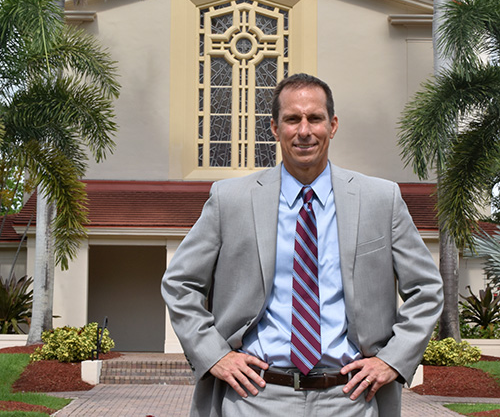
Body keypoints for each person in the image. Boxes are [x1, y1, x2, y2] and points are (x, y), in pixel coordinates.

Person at [162, 73, 443, 417]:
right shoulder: (230, 200)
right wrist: (214, 354)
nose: (305, 130)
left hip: (351, 399)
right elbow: (179, 283)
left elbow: (427, 289)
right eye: (292, 119)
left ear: (333, 124)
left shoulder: (380, 199)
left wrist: (392, 360)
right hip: (254, 397)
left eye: (315, 118)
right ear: (275, 128)